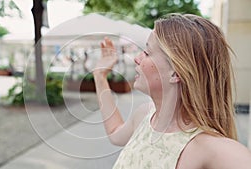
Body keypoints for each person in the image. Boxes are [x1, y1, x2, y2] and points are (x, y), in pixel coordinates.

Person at [92, 13, 251, 169]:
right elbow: (115, 132)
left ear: (176, 73)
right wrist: (99, 76)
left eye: (147, 52)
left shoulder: (206, 147)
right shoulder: (145, 116)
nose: (137, 58)